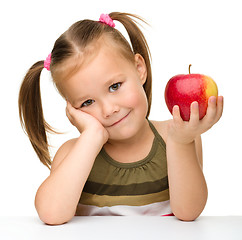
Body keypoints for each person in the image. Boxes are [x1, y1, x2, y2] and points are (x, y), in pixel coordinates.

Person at [18, 12, 223, 225]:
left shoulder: (177, 137)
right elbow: (51, 215)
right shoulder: (74, 153)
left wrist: (182, 142)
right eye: (87, 102)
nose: (108, 109)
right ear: (72, 109)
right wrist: (92, 137)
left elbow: (188, 212)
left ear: (139, 69)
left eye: (114, 86)